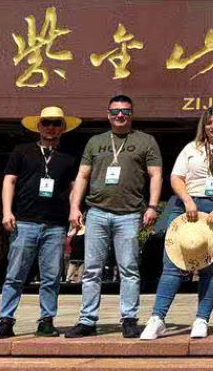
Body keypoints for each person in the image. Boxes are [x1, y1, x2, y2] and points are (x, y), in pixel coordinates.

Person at [142, 107, 213, 340]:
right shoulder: (191, 148)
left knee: (211, 267)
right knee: (173, 264)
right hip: (186, 207)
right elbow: (176, 177)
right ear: (204, 126)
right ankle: (157, 318)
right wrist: (188, 200)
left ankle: (202, 319)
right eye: (209, 123)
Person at [65, 95, 163, 339]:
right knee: (91, 269)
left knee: (129, 268)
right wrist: (75, 207)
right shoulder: (95, 142)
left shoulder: (145, 141)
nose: (121, 115)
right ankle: (87, 320)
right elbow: (82, 176)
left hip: (129, 214)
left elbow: (156, 175)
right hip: (96, 212)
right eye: (116, 111)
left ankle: (129, 319)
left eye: (126, 112)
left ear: (132, 114)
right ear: (108, 114)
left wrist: (152, 206)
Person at [0, 105, 82, 339]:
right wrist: (7, 211)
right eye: (46, 123)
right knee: (15, 274)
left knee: (51, 276)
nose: (51, 127)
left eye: (56, 123)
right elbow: (9, 181)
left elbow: (74, 188)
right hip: (25, 221)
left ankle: (46, 320)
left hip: (55, 224)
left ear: (63, 128)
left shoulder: (69, 156)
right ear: (38, 126)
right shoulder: (22, 151)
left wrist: (75, 211)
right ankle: (6, 320)